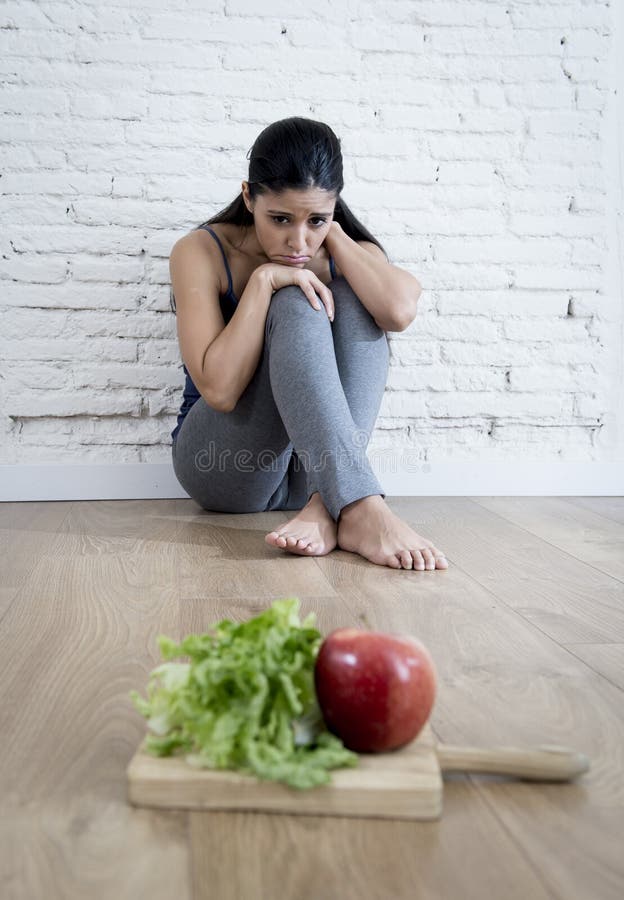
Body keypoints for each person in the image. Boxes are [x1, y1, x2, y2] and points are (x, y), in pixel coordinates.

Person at [169, 117, 448, 572]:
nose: (297, 241)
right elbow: (218, 390)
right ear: (248, 197)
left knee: (358, 297)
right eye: (279, 219)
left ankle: (331, 507)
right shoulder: (201, 251)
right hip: (221, 464)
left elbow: (398, 310)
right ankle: (362, 504)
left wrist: (333, 236)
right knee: (296, 300)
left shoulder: (335, 242)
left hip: (313, 477)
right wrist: (263, 283)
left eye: (316, 219)